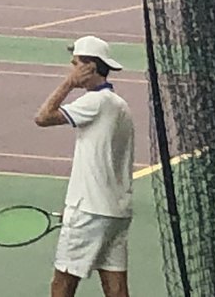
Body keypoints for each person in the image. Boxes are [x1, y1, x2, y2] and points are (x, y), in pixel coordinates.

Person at [34, 36, 134, 297]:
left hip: (89, 209)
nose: (71, 68)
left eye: (75, 63)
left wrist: (68, 84)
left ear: (89, 67)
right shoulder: (120, 105)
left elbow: (43, 117)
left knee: (62, 283)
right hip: (116, 211)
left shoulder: (94, 102)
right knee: (116, 286)